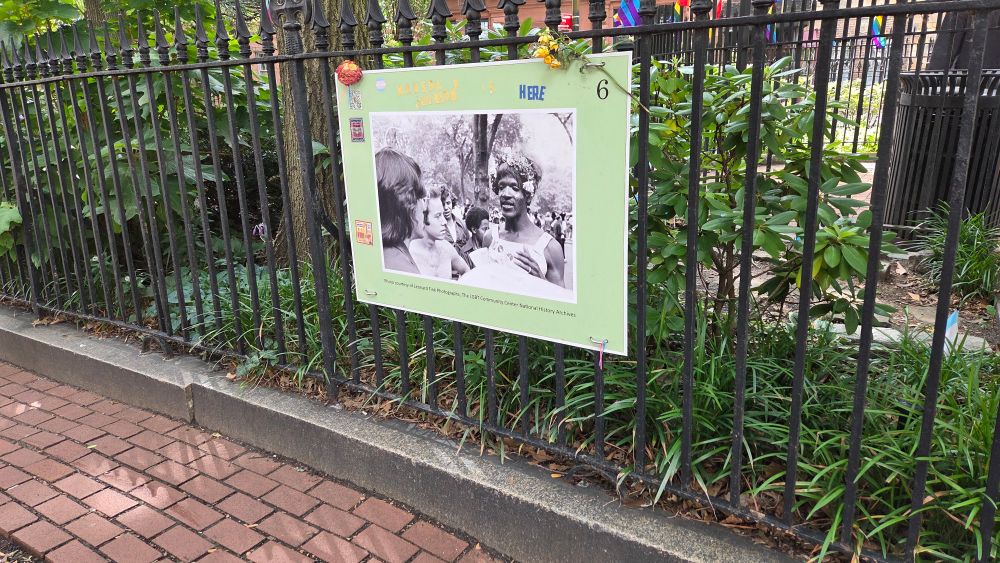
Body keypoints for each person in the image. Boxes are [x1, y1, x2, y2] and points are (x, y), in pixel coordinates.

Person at [482, 153, 565, 287]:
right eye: (501, 187)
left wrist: (542, 282)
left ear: (528, 195)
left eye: (514, 188)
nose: (505, 194)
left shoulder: (550, 248)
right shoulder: (490, 238)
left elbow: (561, 301)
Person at [376, 148, 426, 274]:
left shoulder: (388, 255)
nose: (424, 207)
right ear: (403, 204)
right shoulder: (399, 268)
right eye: (419, 197)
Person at [408, 187, 470, 280]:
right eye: (438, 216)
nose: (444, 221)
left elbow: (467, 271)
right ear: (421, 218)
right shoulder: (410, 254)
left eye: (442, 214)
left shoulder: (446, 248)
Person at [440, 188, 470, 259]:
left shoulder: (462, 224)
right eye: (442, 204)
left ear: (452, 202)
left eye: (448, 203)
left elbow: (469, 245)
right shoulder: (437, 227)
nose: (446, 207)